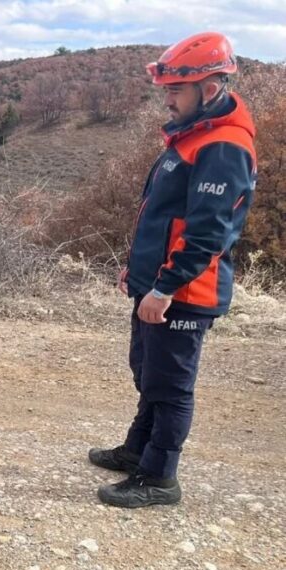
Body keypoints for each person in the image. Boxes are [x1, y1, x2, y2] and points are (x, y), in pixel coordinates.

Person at [89, 32, 257, 508]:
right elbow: (161, 216)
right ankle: (137, 449)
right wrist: (137, 273)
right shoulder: (193, 135)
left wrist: (163, 288)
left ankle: (159, 477)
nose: (168, 99)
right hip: (159, 285)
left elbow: (205, 235)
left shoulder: (222, 148)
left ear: (210, 88)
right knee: (150, 373)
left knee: (171, 386)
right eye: (165, 89)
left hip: (185, 292)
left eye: (175, 90)